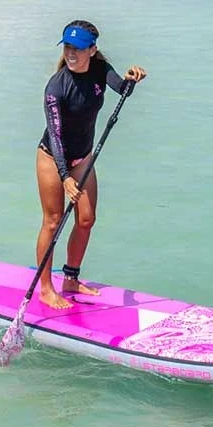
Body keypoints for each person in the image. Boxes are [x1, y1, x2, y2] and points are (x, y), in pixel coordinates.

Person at [36, 20, 146, 310]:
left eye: (78, 48)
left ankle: (71, 279)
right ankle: (45, 289)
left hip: (83, 157)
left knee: (86, 219)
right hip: (53, 158)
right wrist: (65, 177)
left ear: (92, 50)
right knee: (53, 221)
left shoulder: (99, 68)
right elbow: (55, 136)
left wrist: (132, 79)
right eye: (68, 47)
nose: (72, 53)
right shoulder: (56, 87)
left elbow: (122, 89)